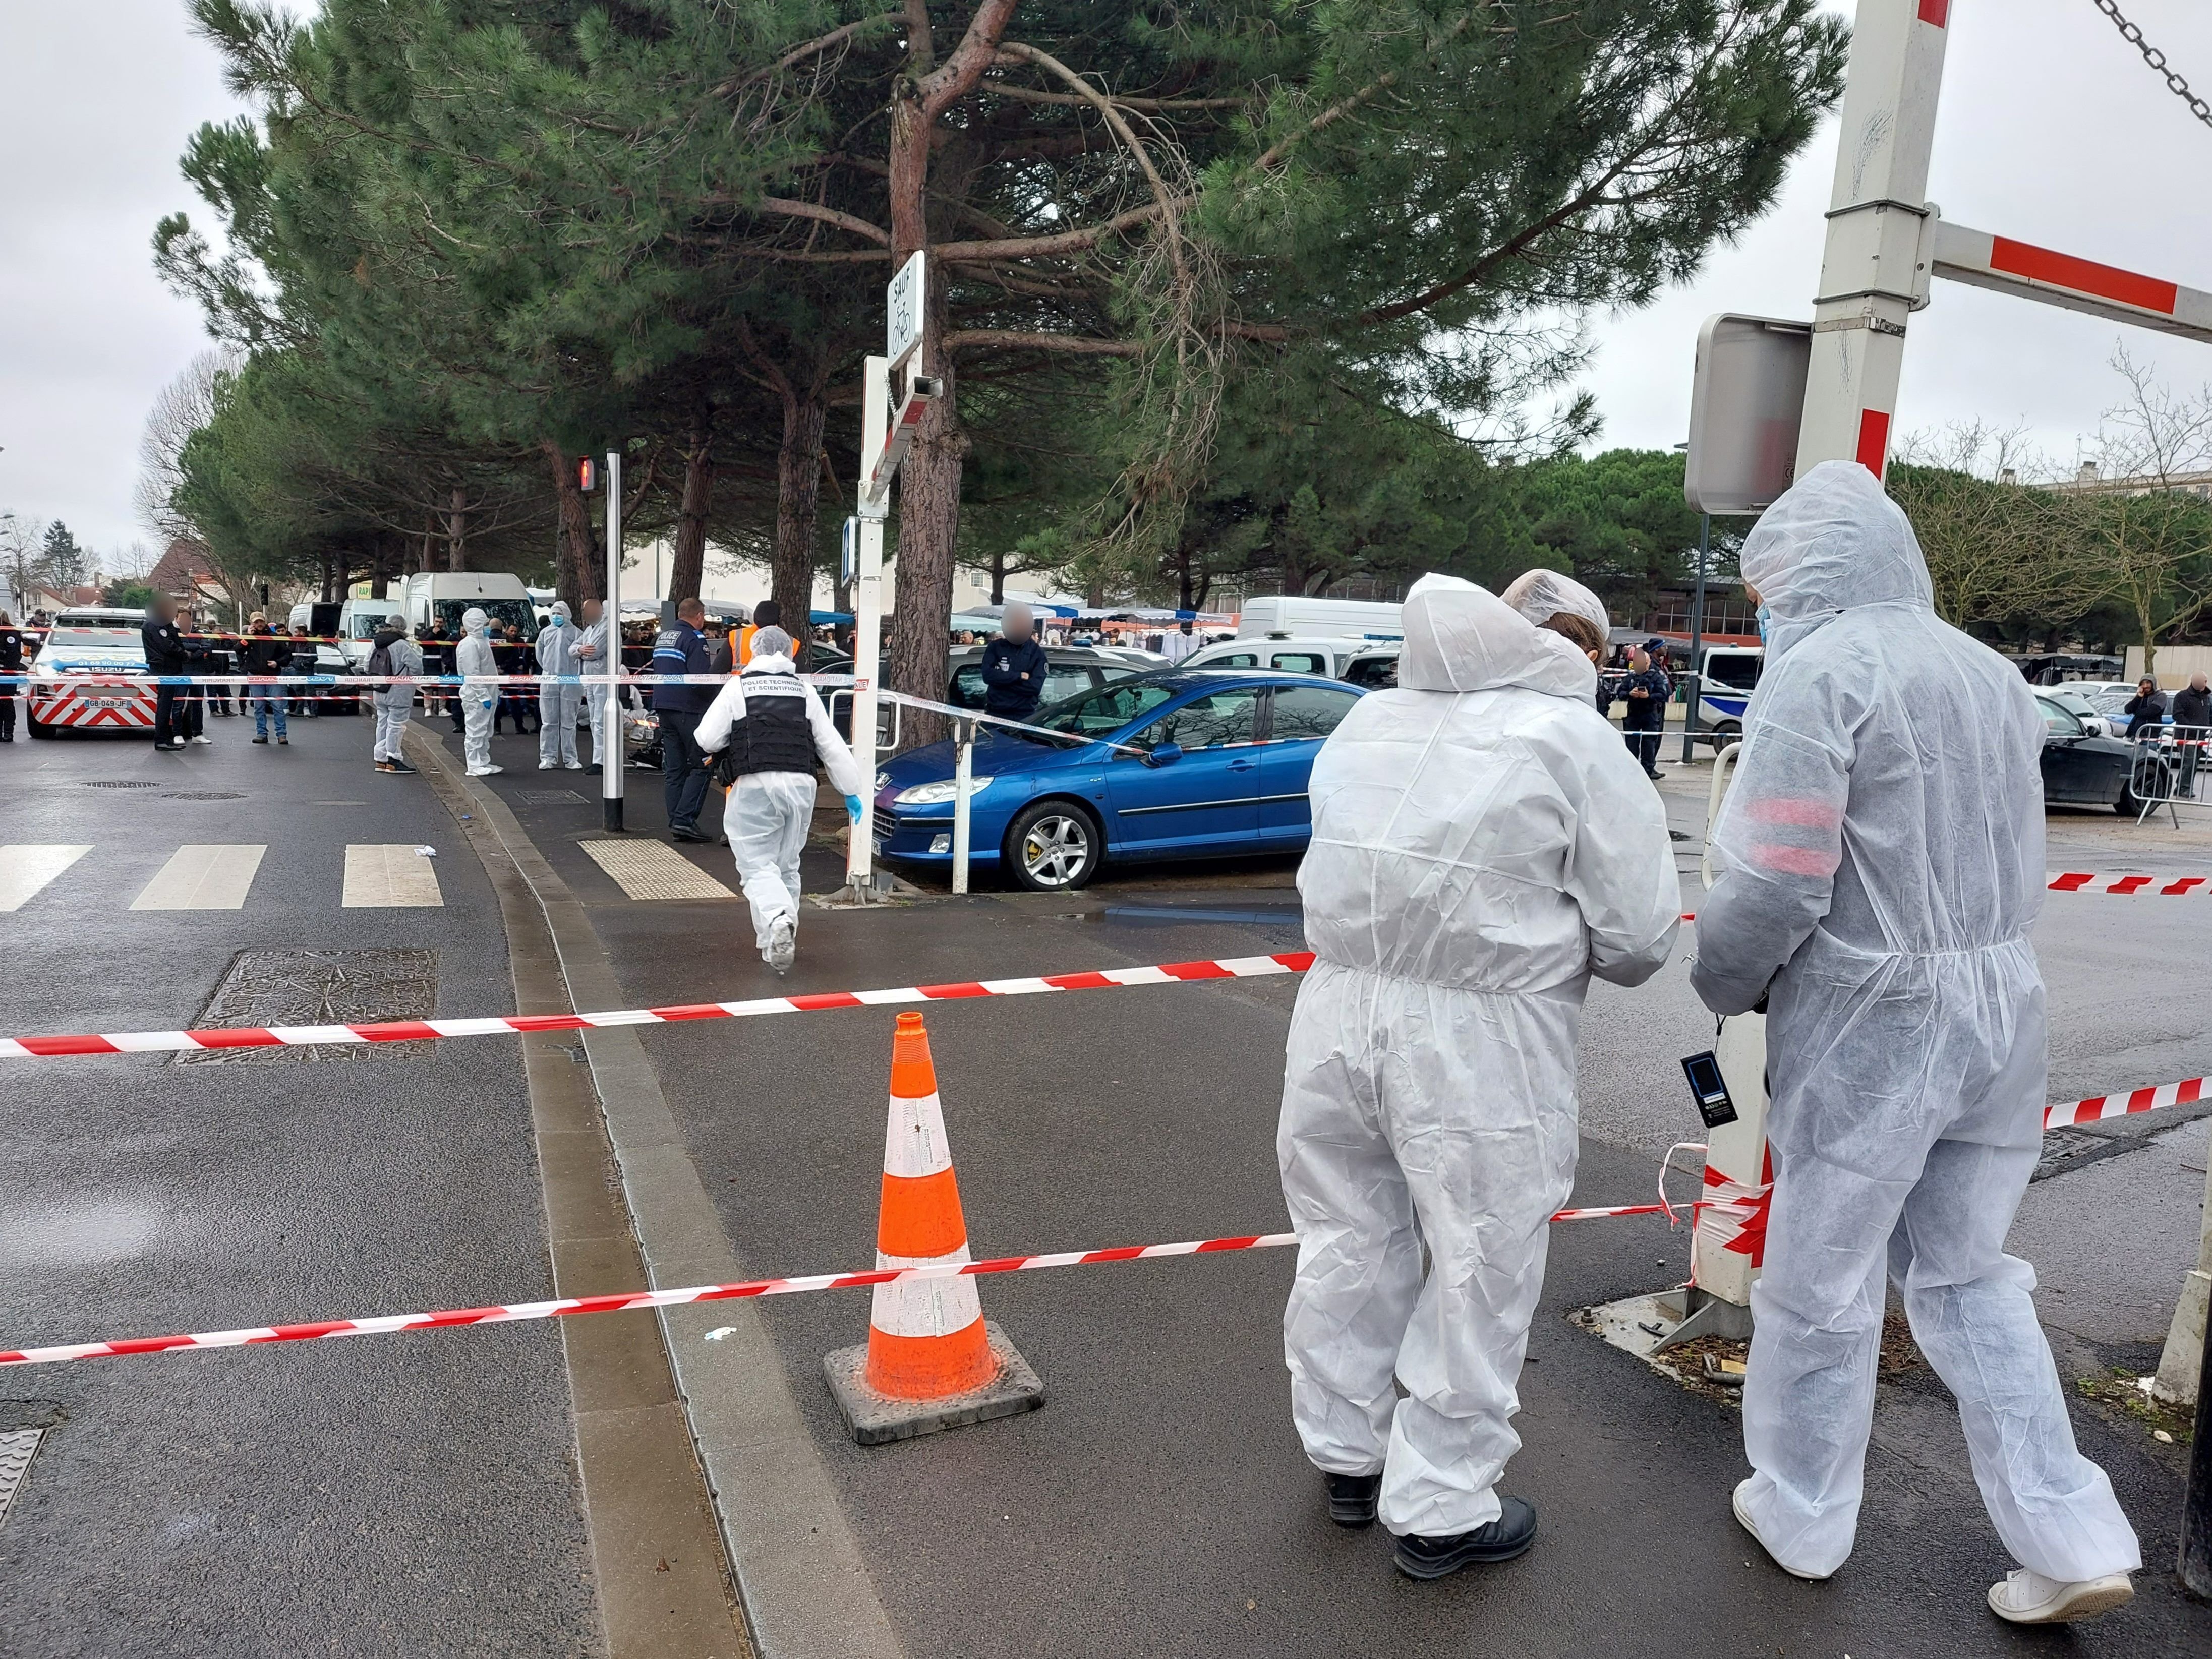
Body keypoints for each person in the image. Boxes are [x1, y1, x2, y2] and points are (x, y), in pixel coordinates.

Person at [1689, 461, 2139, 1624]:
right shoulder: (1989, 675)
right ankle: (2068, 1530)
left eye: (1767, 589)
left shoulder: (1816, 678)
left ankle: (1800, 1510)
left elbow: (1777, 878)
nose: (1764, 614)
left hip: (1867, 1016)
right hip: (2001, 1001)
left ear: (1802, 577)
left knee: (1818, 1282)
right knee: (1973, 1278)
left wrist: (1724, 981)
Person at [1278, 573, 1680, 1581]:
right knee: (1477, 1262)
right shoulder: (1573, 741)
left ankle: (1346, 1455)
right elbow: (1636, 939)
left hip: (1336, 1013)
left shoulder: (1371, 718)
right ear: (1582, 649)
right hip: (1483, 1037)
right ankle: (1443, 1505)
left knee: (1346, 1236)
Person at [695, 624, 866, 973]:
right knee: (787, 866)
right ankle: (774, 945)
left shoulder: (739, 686)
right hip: (801, 785)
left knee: (757, 865)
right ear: (790, 653)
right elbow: (830, 745)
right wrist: (852, 791)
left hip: (754, 783)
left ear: (754, 652)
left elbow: (707, 738)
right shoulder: (804, 690)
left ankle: (776, 918)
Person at [652, 597, 716, 841]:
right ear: (699, 616)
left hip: (664, 707)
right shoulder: (694, 639)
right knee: (702, 764)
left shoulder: (664, 637)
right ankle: (685, 820)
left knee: (675, 768)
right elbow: (700, 679)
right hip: (688, 710)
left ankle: (676, 821)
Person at [535, 599, 586, 770]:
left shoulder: (577, 633)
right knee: (549, 722)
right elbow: (539, 654)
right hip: (549, 680)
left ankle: (570, 758)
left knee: (569, 722)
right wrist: (549, 670)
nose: (556, 617)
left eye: (560, 614)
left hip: (571, 680)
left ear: (567, 615)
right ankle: (548, 757)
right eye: (554, 613)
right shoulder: (545, 633)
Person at [366, 619, 421, 774]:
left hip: (379, 689)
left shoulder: (375, 643)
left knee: (382, 723)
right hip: (399, 691)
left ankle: (380, 759)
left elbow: (366, 665)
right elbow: (417, 667)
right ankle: (393, 760)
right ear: (402, 628)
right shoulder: (402, 645)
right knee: (397, 725)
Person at [979, 602, 1049, 723]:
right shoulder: (995, 647)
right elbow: (988, 676)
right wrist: (1019, 676)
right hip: (995, 714)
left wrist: (1001, 682)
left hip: (1024, 717)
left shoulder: (1037, 653)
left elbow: (1034, 688)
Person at [455, 606, 502, 776]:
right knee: (475, 729)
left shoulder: (482, 641)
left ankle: (483, 761)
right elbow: (472, 673)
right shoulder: (469, 645)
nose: (487, 626)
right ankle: (474, 764)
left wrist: (494, 692)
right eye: (483, 623)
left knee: (486, 730)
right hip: (476, 696)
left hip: (489, 693)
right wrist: (483, 696)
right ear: (475, 624)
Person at [143, 596, 190, 752]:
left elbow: (174, 642)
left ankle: (165, 737)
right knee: (164, 705)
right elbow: (168, 646)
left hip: (169, 667)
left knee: (167, 704)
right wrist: (184, 655)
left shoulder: (162, 623)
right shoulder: (155, 624)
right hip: (163, 668)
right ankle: (161, 739)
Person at [572, 599, 613, 774]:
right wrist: (580, 650)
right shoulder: (590, 630)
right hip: (590, 680)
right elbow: (572, 649)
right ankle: (598, 759)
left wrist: (580, 652)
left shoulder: (607, 628)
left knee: (601, 720)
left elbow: (594, 653)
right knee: (594, 721)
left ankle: (603, 761)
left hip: (602, 678)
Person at [242, 614, 288, 745]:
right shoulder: (249, 638)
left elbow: (287, 654)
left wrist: (277, 663)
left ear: (265, 622)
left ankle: (282, 735)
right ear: (252, 624)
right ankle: (261, 733)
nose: (259, 624)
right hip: (255, 675)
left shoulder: (275, 638)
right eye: (256, 622)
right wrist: (248, 638)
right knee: (259, 706)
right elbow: (238, 650)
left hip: (273, 675)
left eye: (261, 621)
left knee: (278, 706)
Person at [2170, 672, 2210, 798]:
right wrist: (2191, 727)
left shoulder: (2208, 698)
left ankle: (2182, 787)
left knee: (2194, 762)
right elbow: (2177, 714)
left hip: (2200, 736)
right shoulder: (2182, 696)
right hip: (2185, 736)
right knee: (2190, 761)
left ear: (2205, 682)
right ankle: (2184, 788)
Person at [0, 611, 22, 741]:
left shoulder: (10, 633)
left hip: (7, 673)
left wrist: (7, 670)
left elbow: (13, 656)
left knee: (6, 703)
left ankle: (8, 732)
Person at [2121, 676, 2166, 740]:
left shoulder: (2160, 696)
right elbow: (2128, 710)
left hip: (2150, 735)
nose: (2145, 686)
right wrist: (2138, 697)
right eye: (2143, 684)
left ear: (2153, 684)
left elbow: (2152, 711)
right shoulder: (2141, 696)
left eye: (2148, 683)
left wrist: (2136, 712)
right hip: (2134, 733)